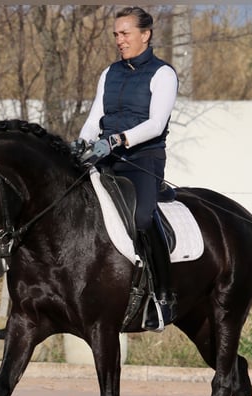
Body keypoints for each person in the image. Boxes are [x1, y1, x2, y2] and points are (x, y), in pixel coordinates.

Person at [75, 6, 178, 332]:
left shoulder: (163, 74)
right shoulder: (110, 73)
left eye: (125, 34)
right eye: (116, 35)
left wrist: (118, 139)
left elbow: (155, 124)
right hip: (105, 157)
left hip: (143, 161)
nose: (119, 40)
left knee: (143, 218)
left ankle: (163, 296)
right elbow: (95, 118)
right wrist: (82, 142)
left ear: (145, 35)